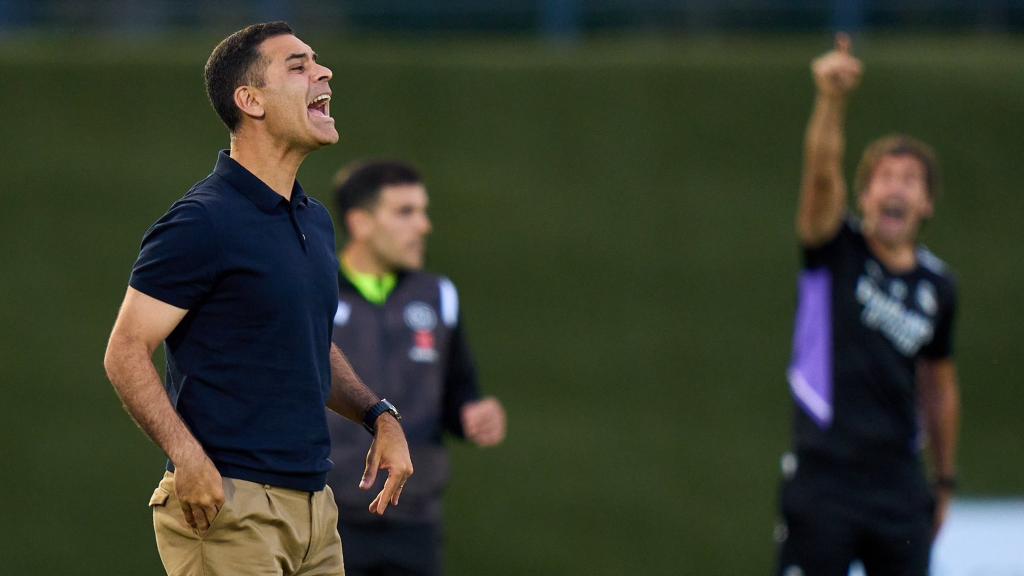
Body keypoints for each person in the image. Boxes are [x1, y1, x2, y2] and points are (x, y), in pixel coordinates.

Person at [103, 22, 413, 576]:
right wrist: (188, 458)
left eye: (317, 62)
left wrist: (378, 416)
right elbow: (125, 350)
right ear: (250, 101)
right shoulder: (202, 221)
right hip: (230, 507)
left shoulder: (313, 220)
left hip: (316, 513)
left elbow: (309, 345)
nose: (323, 72)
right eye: (297, 66)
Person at [776, 33, 961, 576]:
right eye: (883, 178)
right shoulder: (835, 249)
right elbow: (819, 178)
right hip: (824, 474)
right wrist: (831, 102)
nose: (895, 189)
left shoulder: (938, 286)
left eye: (909, 180)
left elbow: (939, 384)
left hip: (897, 483)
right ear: (864, 197)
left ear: (926, 202)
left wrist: (944, 478)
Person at [326, 160, 507, 576]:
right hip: (328, 518)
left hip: (415, 521)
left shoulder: (438, 296)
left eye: (422, 211)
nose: (423, 226)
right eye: (405, 212)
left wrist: (473, 415)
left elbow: (459, 393)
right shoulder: (316, 292)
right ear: (361, 222)